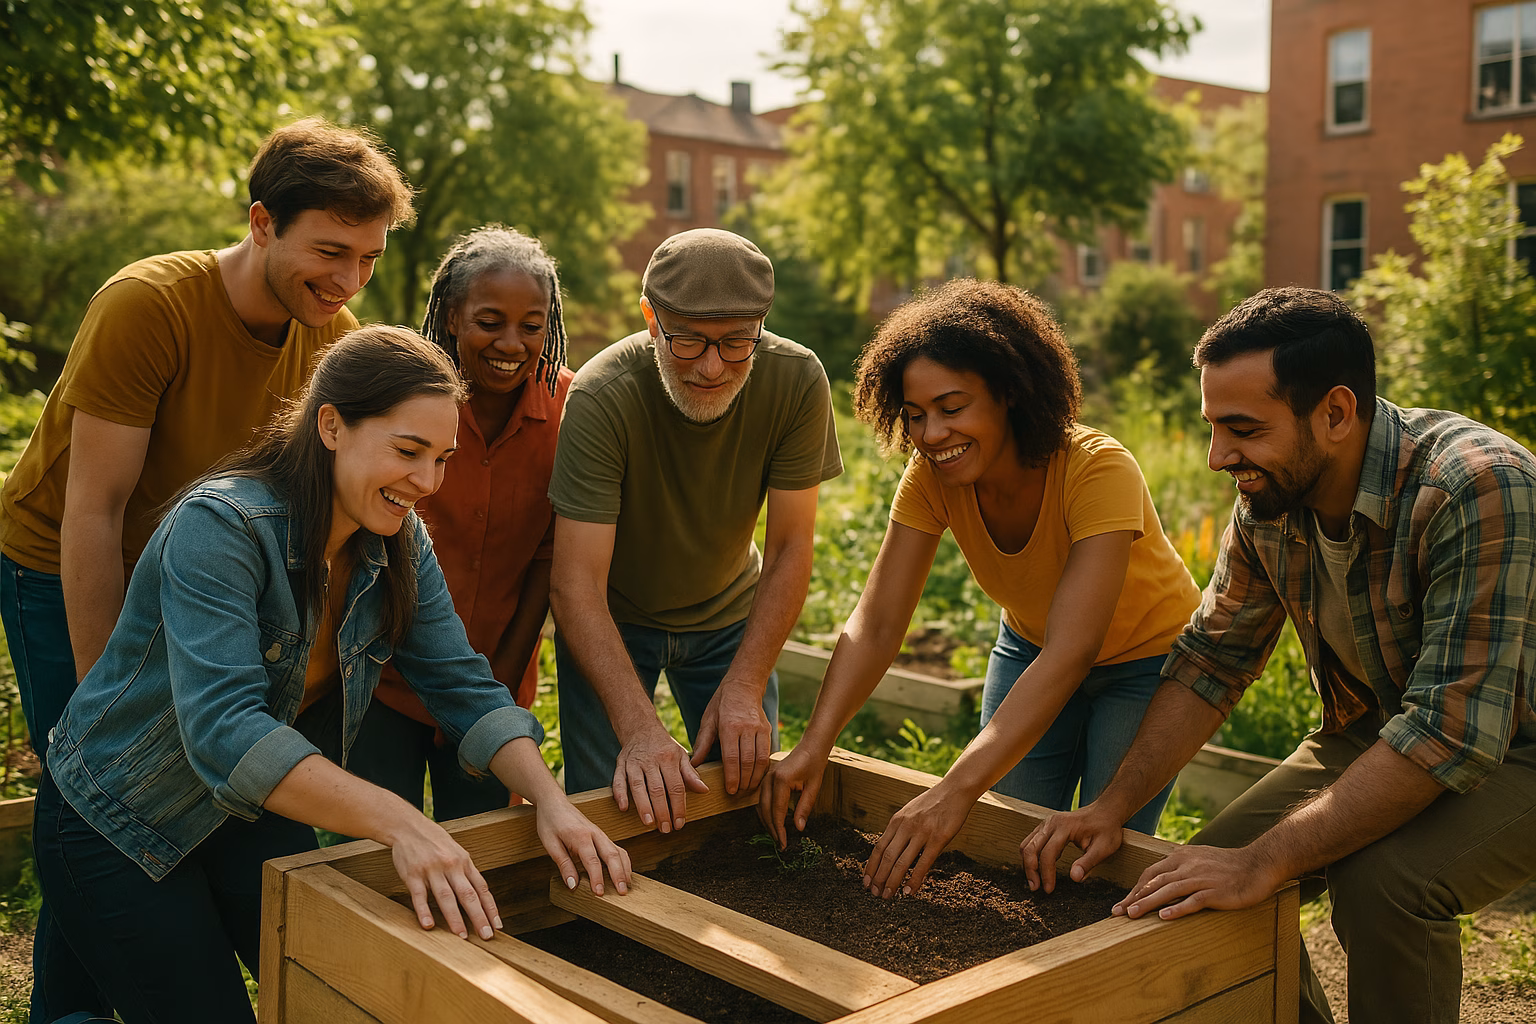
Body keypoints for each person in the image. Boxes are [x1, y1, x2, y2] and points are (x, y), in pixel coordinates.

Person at [33, 326, 631, 1024]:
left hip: (245, 809)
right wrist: (403, 823)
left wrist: (548, 800)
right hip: (119, 812)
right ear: (331, 426)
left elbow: (461, 683)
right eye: (407, 452)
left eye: (441, 458)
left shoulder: (401, 540)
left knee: (342, 982)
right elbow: (226, 731)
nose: (428, 481)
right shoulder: (221, 526)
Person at [1020, 287, 1536, 1024]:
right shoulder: (1273, 494)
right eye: (1212, 428)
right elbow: (1211, 660)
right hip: (1389, 724)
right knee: (1180, 894)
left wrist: (1263, 861)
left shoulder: (1476, 486)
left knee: (1384, 881)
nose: (1217, 458)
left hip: (1517, 739)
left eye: (1242, 429)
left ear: (1334, 412)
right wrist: (1111, 808)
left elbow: (1447, 731)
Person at [0, 115, 413, 1023]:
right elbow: (93, 511)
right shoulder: (150, 304)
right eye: (331, 251)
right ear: (262, 222)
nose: (348, 283)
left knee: (152, 789)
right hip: (62, 562)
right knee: (100, 786)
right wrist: (110, 700)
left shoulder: (332, 343)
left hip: (194, 575)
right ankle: (69, 1007)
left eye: (370, 261)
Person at [757, 279, 1201, 896]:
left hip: (1145, 663)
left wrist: (953, 786)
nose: (932, 433)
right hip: (1030, 646)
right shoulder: (933, 477)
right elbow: (879, 622)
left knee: (1092, 859)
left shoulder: (1098, 468)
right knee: (1010, 847)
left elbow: (1074, 650)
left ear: (1010, 395)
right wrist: (815, 743)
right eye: (915, 416)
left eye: (952, 407)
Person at [548, 227, 841, 832]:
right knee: (610, 813)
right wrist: (638, 729)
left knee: (744, 806)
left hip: (731, 620)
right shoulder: (603, 396)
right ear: (651, 320)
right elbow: (575, 583)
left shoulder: (797, 382)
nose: (712, 367)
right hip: (614, 621)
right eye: (688, 342)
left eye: (737, 343)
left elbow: (790, 546)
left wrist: (746, 684)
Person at [349, 226, 573, 820]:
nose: (513, 342)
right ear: (451, 316)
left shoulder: (569, 412)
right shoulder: (405, 401)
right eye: (490, 320)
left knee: (486, 848)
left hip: (497, 680)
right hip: (383, 681)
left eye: (533, 324)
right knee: (375, 855)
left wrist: (495, 686)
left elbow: (548, 564)